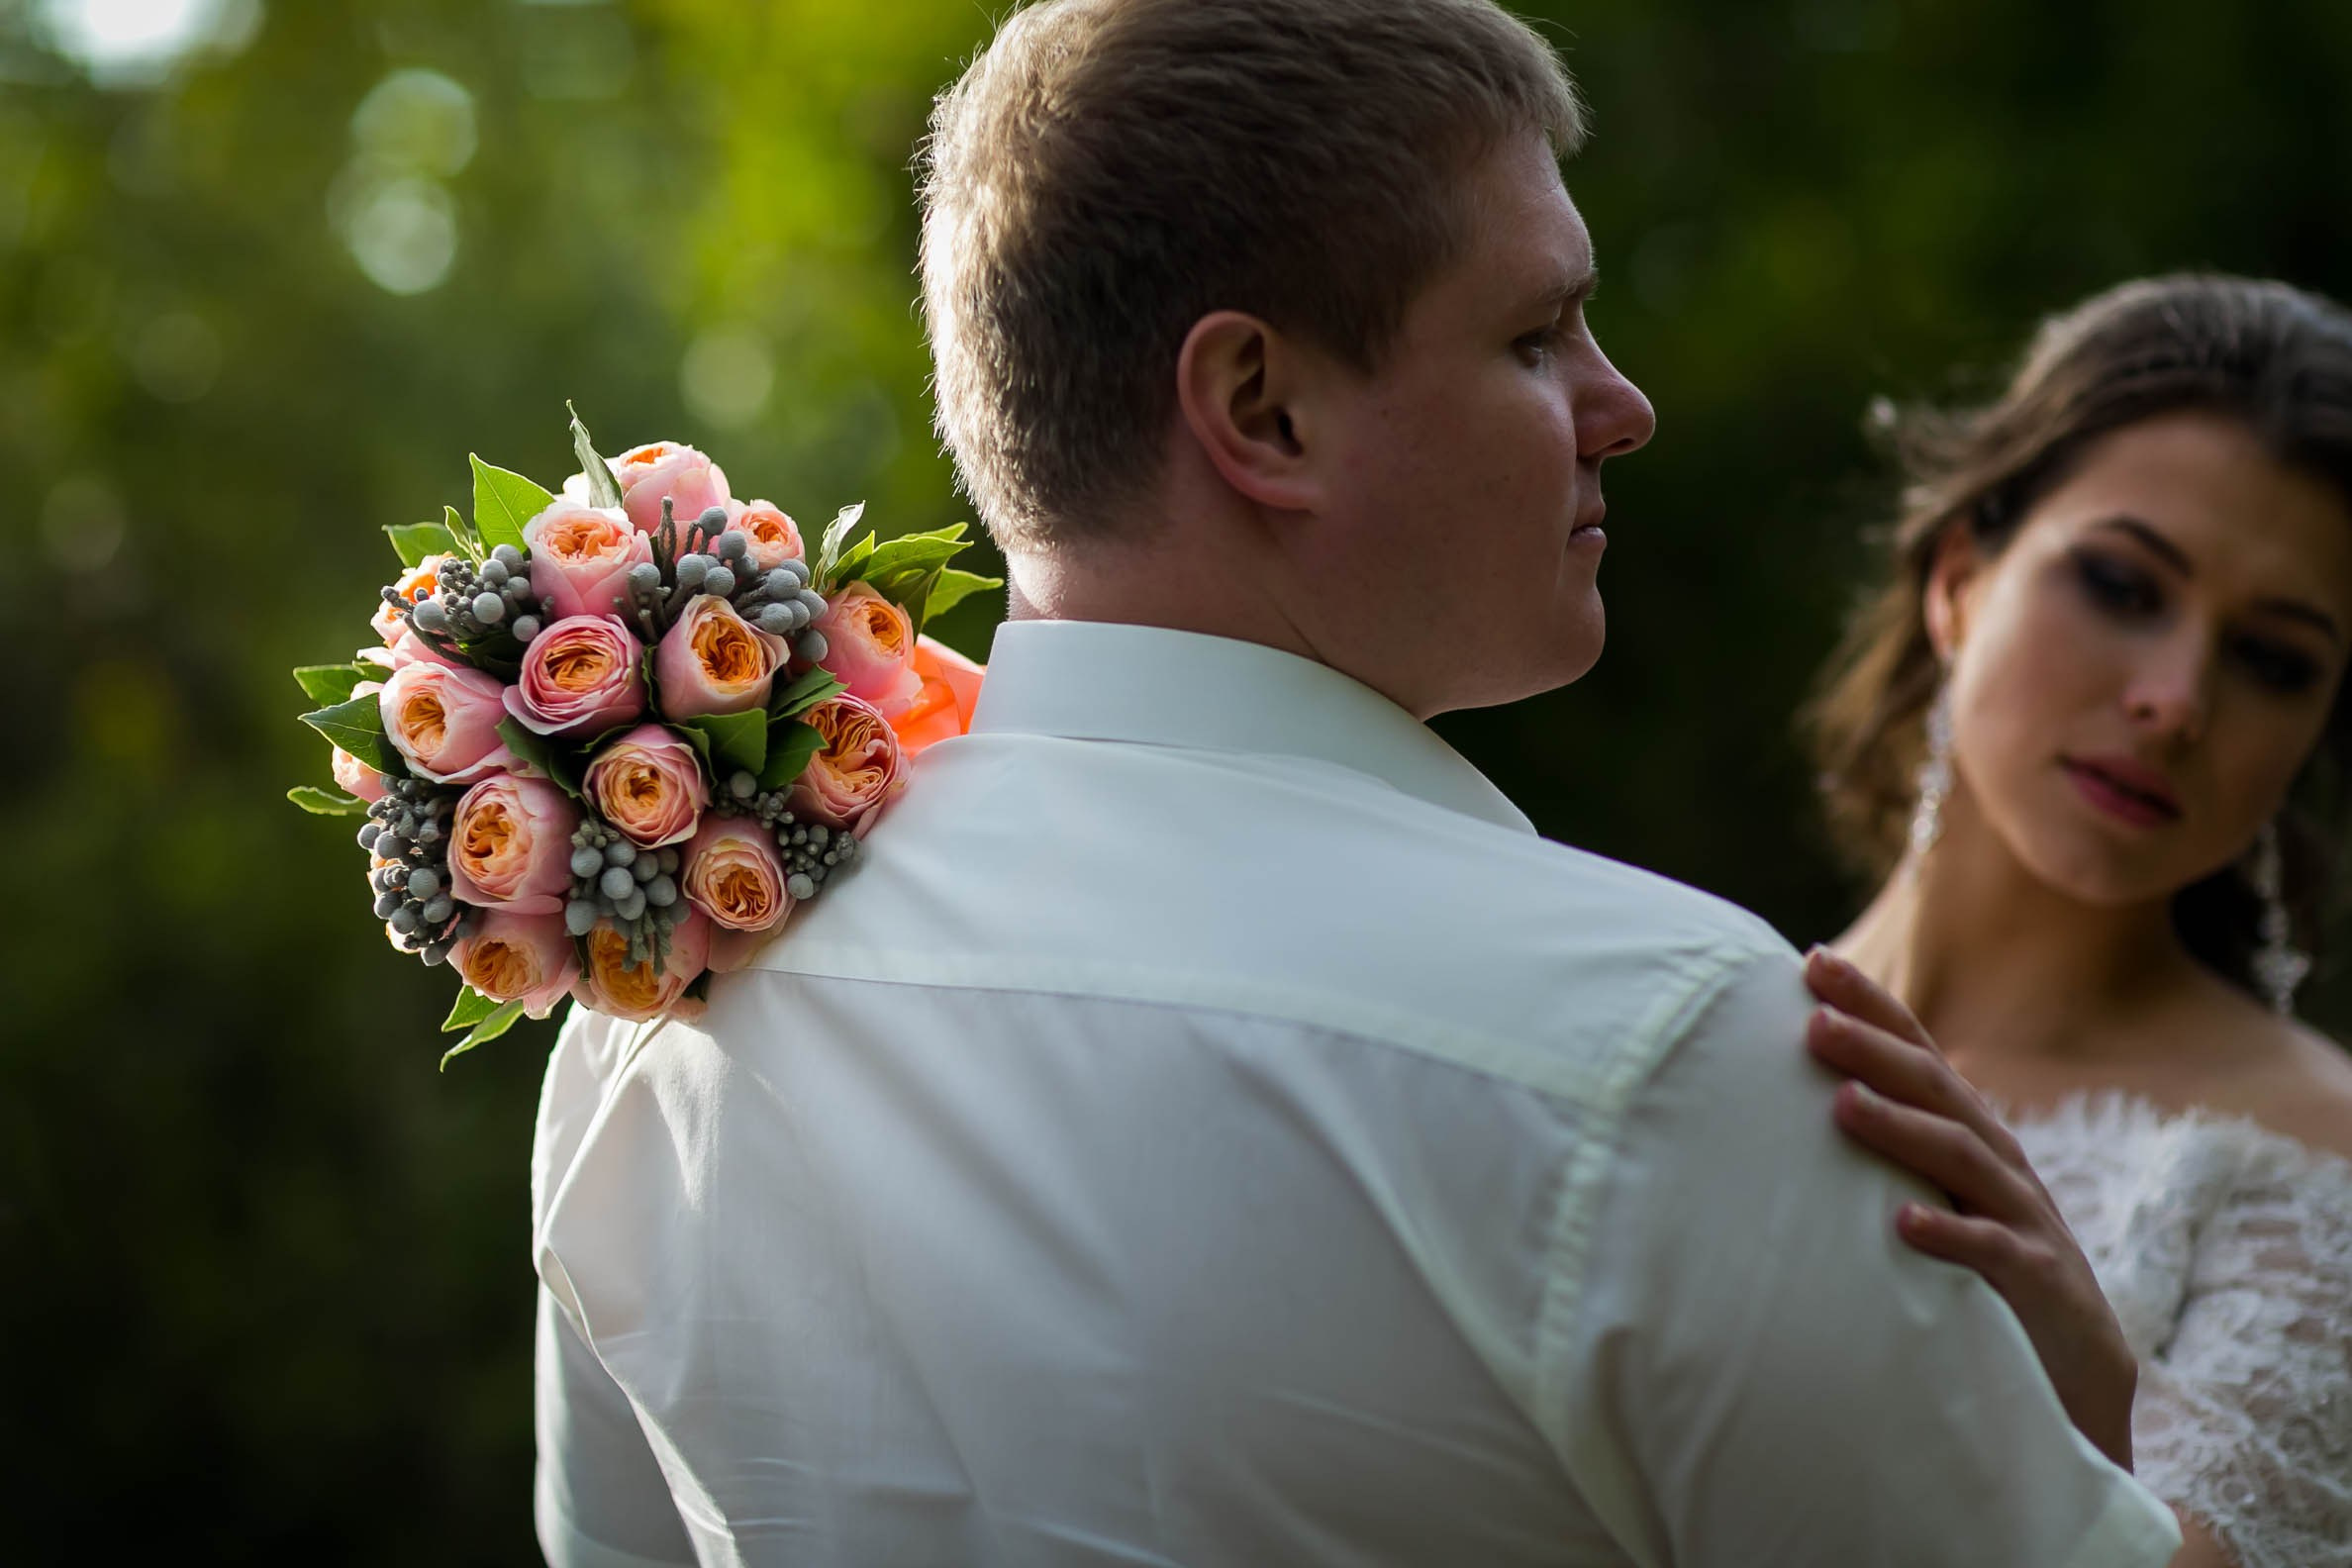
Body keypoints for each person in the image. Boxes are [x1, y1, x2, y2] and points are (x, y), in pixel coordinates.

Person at [528, 2, 2183, 1563]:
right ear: (1264, 409)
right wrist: (2096, 1430)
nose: (1625, 407)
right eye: (1537, 336)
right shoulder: (1665, 1047)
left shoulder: (655, 1010)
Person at [1800, 275, 2352, 1568]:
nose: (2174, 700)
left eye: (2272, 660)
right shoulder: (1697, 1012)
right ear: (1959, 581)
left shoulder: (2322, 1168)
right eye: (2119, 584)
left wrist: (2082, 1434)